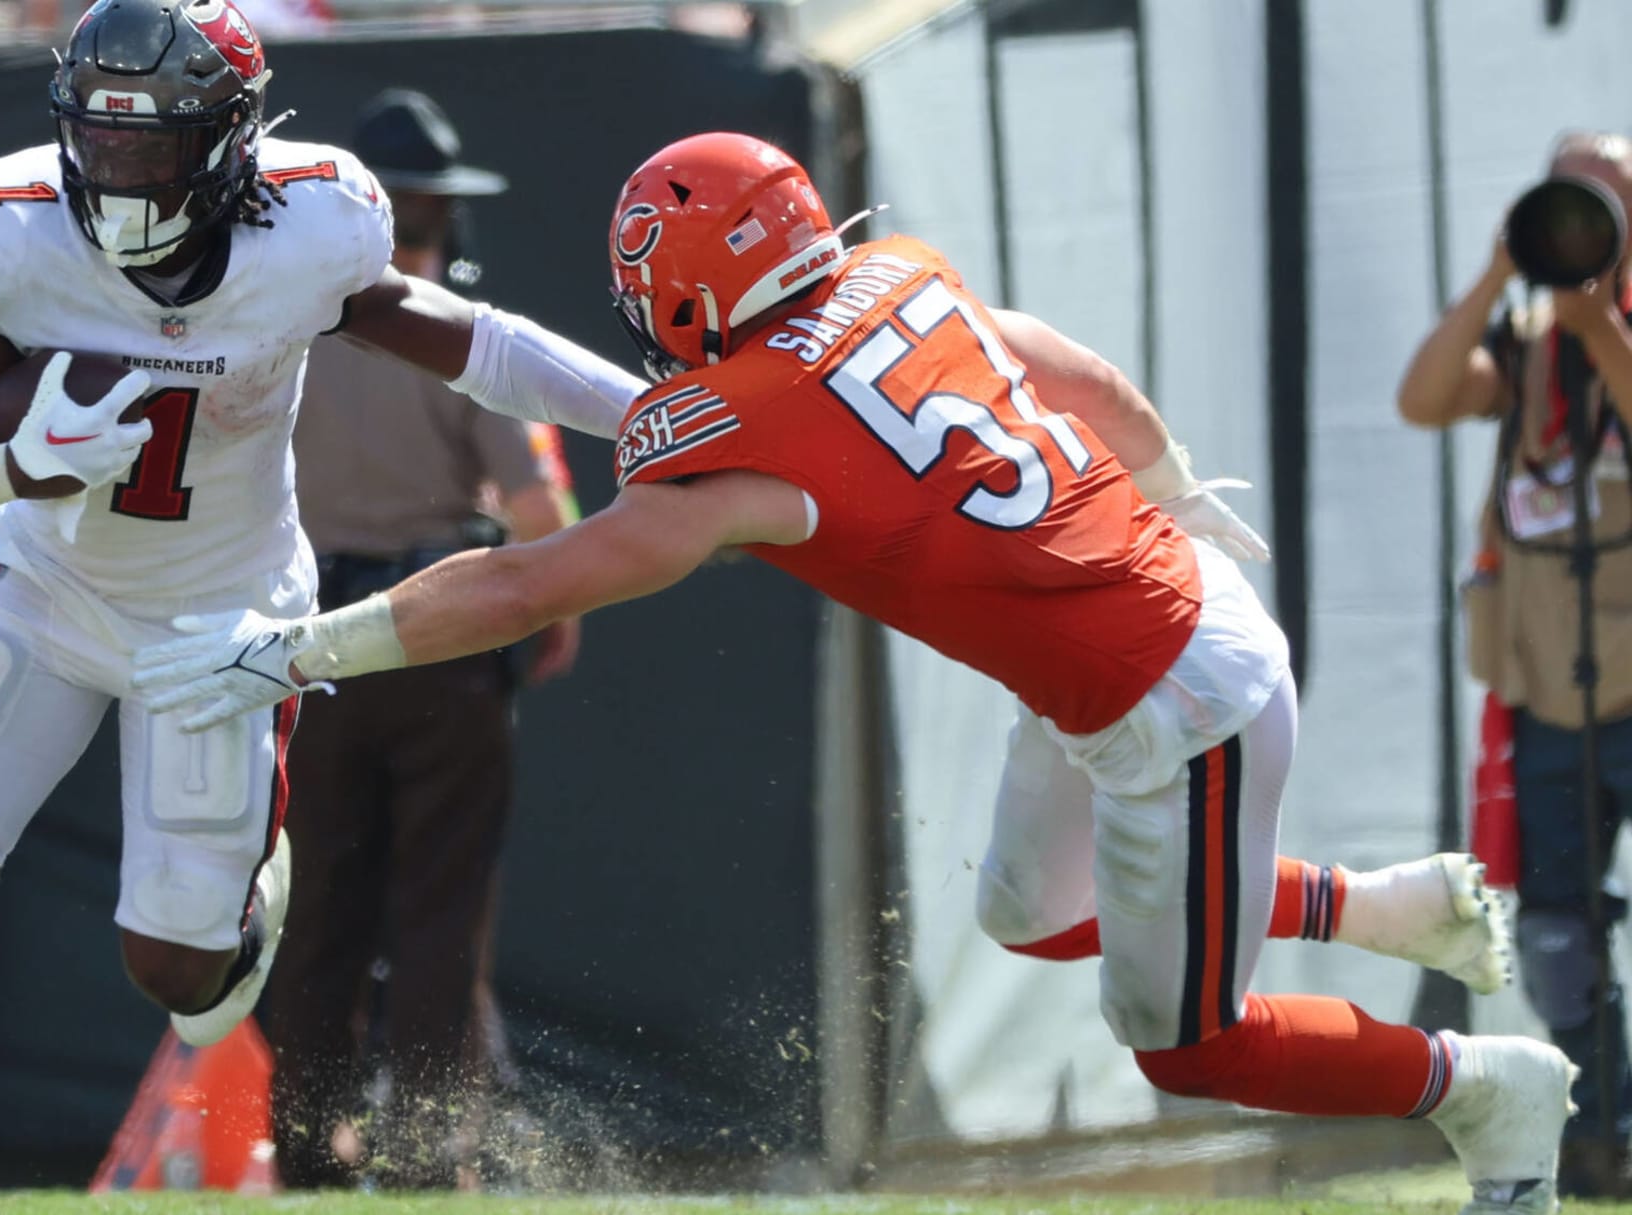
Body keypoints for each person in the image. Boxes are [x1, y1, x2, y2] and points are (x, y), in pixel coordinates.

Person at [137, 132, 1575, 1214]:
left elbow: (525, 582)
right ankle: (1384, 903)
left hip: (1172, 701)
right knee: (1032, 912)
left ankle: (1488, 1091)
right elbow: (1064, 365)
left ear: (692, 285)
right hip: (1140, 624)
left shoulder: (751, 448)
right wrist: (1175, 483)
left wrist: (305, 647)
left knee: (1188, 1049)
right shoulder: (901, 278)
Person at [0, 2, 645, 1211]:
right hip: (44, 586)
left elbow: (473, 342)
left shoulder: (312, 222)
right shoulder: (8, 229)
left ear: (235, 137)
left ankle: (242, 896)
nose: (120, 167)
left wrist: (650, 416)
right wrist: (20, 465)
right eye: (100, 135)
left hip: (222, 613)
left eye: (157, 140)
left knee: (183, 982)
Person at [269, 88, 582, 1190]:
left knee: (314, 918)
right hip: (443, 647)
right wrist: (554, 611)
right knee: (440, 910)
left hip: (311, 655)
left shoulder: (282, 334)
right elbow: (540, 513)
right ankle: (422, 1154)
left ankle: (308, 1144)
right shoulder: (458, 337)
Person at [1396, 130, 1632, 1199]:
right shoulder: (1526, 334)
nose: (1588, 215)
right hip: (1552, 686)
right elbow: (1426, 398)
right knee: (1551, 928)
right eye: (1570, 194)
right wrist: (1499, 269)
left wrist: (1603, 327)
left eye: (1610, 197)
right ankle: (1607, 1131)